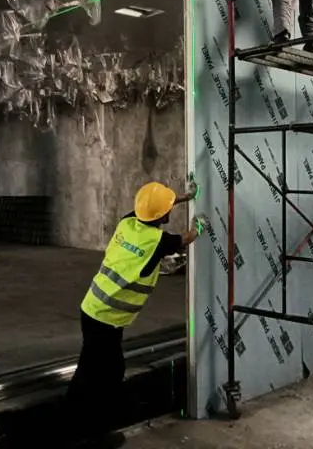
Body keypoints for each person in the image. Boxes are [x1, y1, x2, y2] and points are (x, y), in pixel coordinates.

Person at [63, 180, 204, 448]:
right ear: (163, 215)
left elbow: (150, 209)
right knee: (104, 374)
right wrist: (201, 224)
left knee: (94, 370)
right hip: (106, 319)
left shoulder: (128, 223)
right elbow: (187, 237)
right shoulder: (158, 241)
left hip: (93, 308)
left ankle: (77, 426)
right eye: (167, 208)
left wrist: (185, 197)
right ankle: (88, 433)